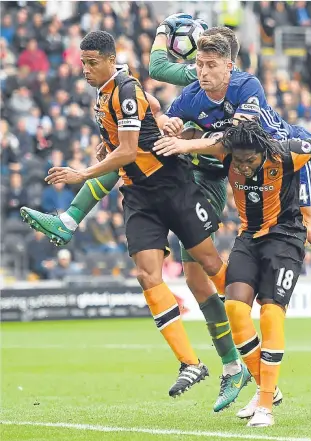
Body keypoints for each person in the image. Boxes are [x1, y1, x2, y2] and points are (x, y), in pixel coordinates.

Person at [21, 20, 251, 413]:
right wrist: (162, 114)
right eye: (199, 64)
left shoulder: (245, 87)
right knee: (152, 273)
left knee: (202, 273)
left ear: (229, 64)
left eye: (211, 64)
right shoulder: (185, 84)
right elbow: (159, 79)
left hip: (201, 179)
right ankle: (211, 363)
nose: (203, 71)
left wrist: (171, 133)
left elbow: (155, 99)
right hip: (156, 181)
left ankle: (251, 335)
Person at [153, 119, 311, 427]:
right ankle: (265, 388)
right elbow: (193, 145)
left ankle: (265, 406)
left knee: (271, 314)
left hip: (285, 240)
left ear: (262, 151)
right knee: (234, 308)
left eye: (249, 161)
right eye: (238, 161)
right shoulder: (227, 152)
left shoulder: (286, 153)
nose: (243, 167)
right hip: (248, 238)